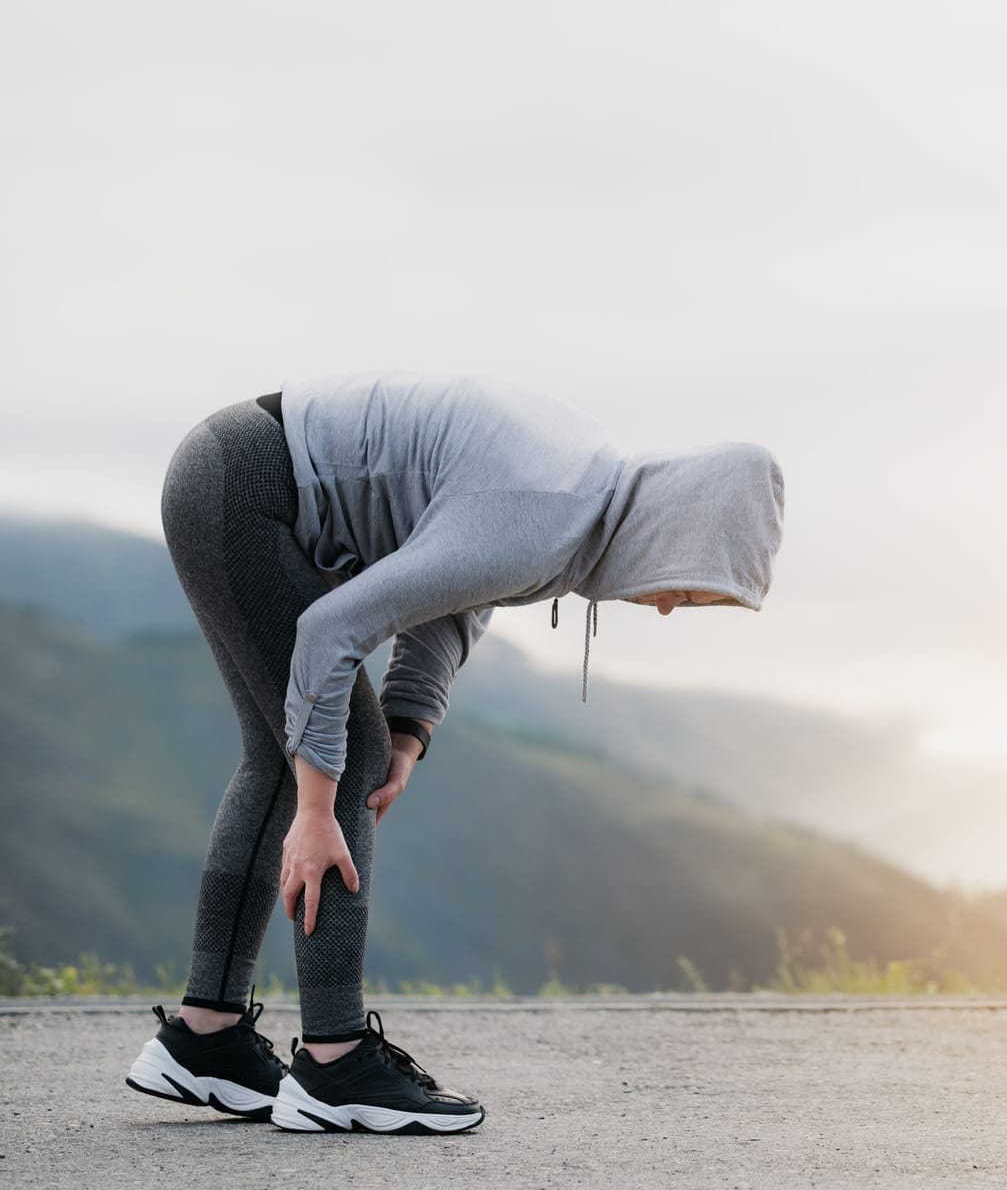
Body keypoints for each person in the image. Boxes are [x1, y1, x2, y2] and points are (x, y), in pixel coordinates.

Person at [124, 370, 786, 1133]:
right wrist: (316, 809)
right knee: (334, 754)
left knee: (295, 751)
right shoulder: (549, 512)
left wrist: (409, 726)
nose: (669, 606)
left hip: (230, 470)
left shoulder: (580, 497)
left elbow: (452, 592)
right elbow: (330, 633)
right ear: (680, 526)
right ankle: (335, 1066)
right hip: (245, 485)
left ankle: (204, 1038)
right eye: (692, 586)